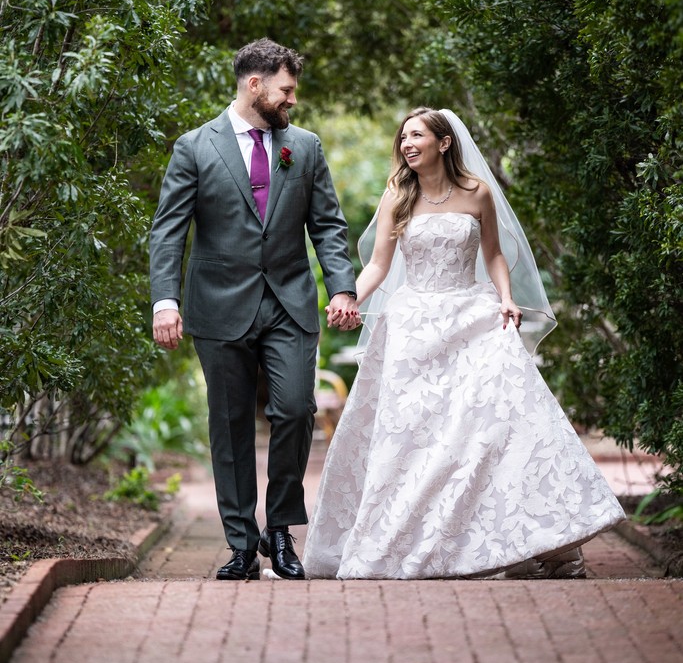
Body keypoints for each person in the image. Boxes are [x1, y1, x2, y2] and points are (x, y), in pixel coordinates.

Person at [303, 107, 625, 580]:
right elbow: (378, 265)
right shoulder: (399, 195)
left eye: (417, 136)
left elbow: (494, 253)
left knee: (502, 422)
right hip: (415, 327)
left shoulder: (478, 192)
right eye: (403, 138)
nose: (407, 144)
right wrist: (347, 297)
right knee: (417, 438)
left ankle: (540, 536)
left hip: (473, 318)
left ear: (444, 142)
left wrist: (507, 298)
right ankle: (422, 539)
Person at [150, 38, 359, 581]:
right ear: (255, 84)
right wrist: (164, 301)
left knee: (295, 410)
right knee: (230, 424)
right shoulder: (195, 147)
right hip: (218, 307)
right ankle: (242, 544)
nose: (292, 101)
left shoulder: (305, 147)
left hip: (289, 302)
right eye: (286, 90)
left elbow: (329, 226)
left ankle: (281, 531)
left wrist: (342, 288)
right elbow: (169, 232)